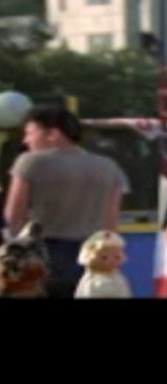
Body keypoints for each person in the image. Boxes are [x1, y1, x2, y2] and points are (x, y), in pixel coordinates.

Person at [2, 106, 129, 298]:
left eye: (30, 133)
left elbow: (14, 214)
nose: (25, 140)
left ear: (52, 134)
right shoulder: (110, 167)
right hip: (94, 256)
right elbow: (110, 224)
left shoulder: (29, 161)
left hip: (43, 254)